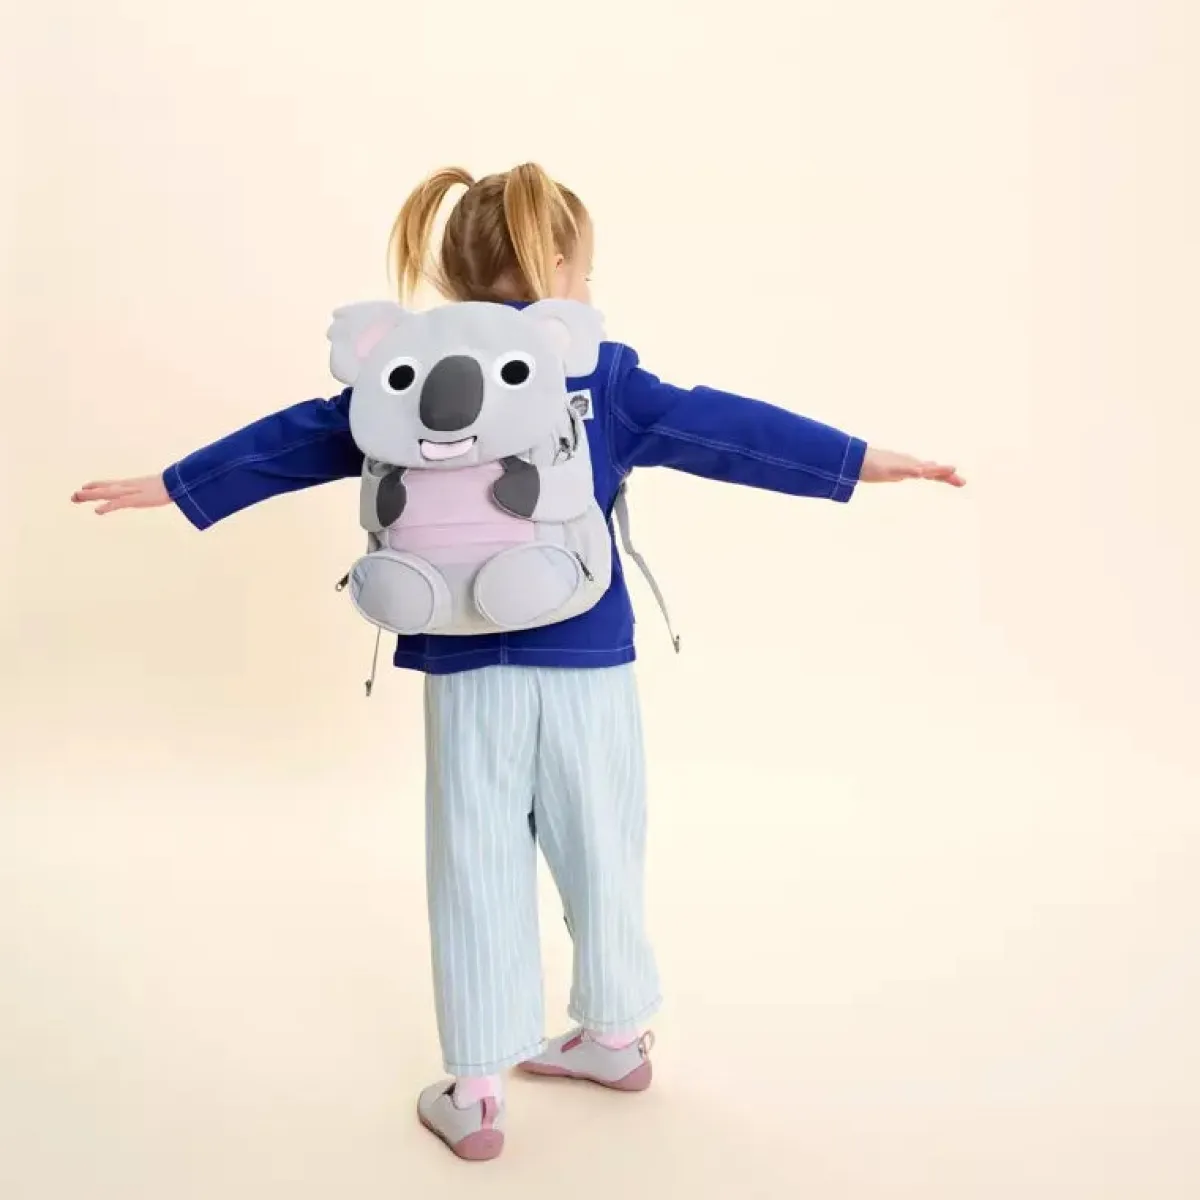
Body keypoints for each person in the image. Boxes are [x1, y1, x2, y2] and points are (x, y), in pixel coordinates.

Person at [72, 162, 965, 1162]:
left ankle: (477, 1093)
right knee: (602, 843)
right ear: (566, 273)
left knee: (476, 860)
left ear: (452, 273)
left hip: (464, 666)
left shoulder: (400, 373)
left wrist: (177, 483)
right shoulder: (598, 373)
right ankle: (616, 1038)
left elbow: (301, 439)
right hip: (587, 655)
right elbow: (724, 428)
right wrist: (857, 460)